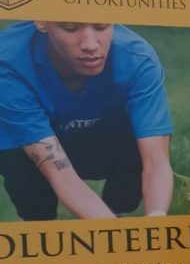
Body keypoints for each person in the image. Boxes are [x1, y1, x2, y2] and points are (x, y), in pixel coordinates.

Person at [0, 21, 173, 220]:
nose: (90, 45)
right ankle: (37, 221)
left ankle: (117, 211)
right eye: (70, 28)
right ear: (41, 22)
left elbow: (155, 161)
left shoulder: (137, 58)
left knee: (142, 137)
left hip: (102, 139)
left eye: (101, 27)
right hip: (33, 150)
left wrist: (157, 220)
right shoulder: (7, 63)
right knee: (22, 166)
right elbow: (61, 174)